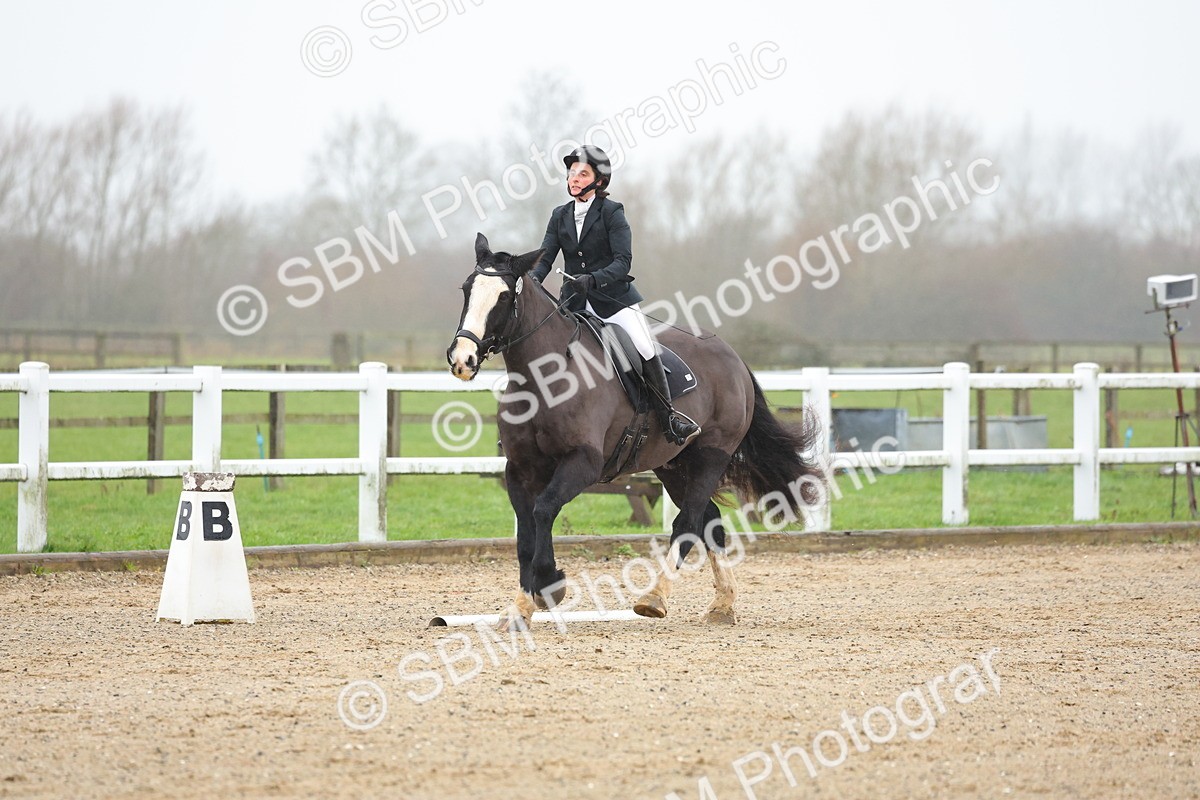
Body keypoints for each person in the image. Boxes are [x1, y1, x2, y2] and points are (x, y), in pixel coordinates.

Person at [529, 145, 700, 446]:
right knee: (544, 347)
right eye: (572, 173)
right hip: (573, 302)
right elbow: (545, 258)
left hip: (613, 300)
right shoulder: (559, 215)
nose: (574, 179)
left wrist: (594, 279)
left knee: (644, 346)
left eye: (582, 174)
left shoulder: (611, 212)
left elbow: (623, 262)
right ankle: (532, 424)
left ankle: (669, 418)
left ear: (599, 181)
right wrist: (531, 280)